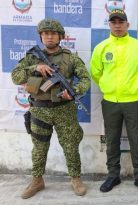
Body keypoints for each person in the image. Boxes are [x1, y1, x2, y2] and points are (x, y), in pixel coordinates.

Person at [11, 19, 90, 198]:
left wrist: (74, 91)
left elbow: (85, 79)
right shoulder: (32, 57)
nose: (49, 37)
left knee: (70, 146)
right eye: (46, 33)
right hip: (39, 110)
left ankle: (75, 178)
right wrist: (35, 68)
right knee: (39, 147)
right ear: (41, 36)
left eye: (53, 33)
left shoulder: (71, 57)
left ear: (60, 36)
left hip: (64, 109)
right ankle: (37, 180)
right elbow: (15, 77)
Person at [90, 9, 138, 194]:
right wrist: (107, 85)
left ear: (128, 24)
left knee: (137, 140)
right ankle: (113, 175)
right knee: (112, 140)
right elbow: (95, 72)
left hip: (133, 101)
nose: (117, 25)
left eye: (121, 22)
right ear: (109, 25)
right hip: (110, 101)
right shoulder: (101, 47)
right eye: (114, 22)